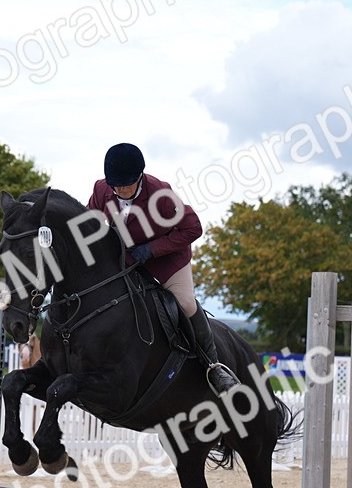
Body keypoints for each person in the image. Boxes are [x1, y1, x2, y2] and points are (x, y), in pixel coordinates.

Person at [86, 142, 238, 395]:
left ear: (140, 177)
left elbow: (193, 228)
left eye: (126, 184)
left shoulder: (161, 195)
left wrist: (152, 249)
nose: (120, 189)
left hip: (167, 259)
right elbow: (90, 221)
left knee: (186, 303)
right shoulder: (103, 189)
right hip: (126, 259)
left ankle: (213, 366)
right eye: (116, 184)